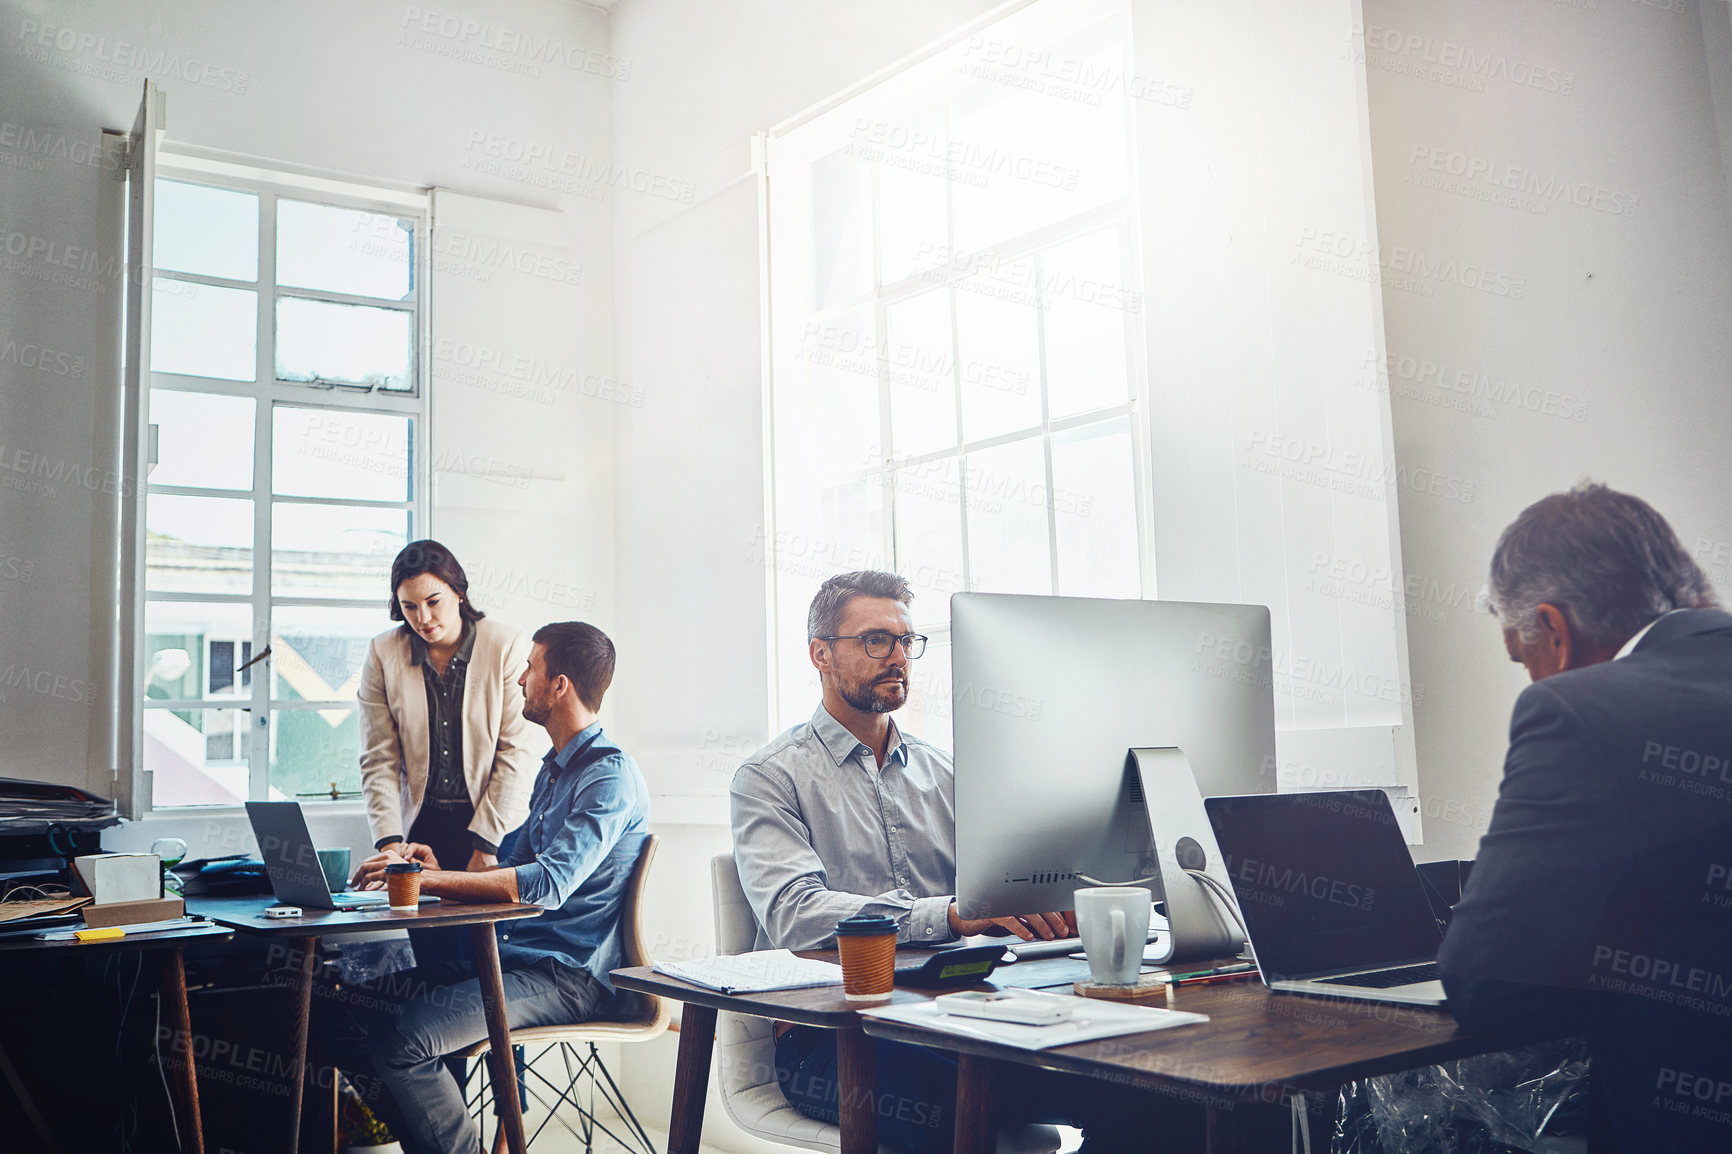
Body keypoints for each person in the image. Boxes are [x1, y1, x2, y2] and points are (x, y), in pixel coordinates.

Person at [731, 570, 1201, 1153]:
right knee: (954, 1107)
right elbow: (795, 914)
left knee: (1160, 1094)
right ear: (819, 653)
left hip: (957, 1011)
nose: (898, 656)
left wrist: (1049, 901)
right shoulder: (768, 776)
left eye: (906, 641)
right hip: (835, 1035)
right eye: (876, 640)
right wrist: (950, 916)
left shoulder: (947, 771)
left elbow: (997, 883)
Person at [1439, 483, 1732, 1153]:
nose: (1532, 681)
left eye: (1523, 658)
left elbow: (1491, 984)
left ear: (1555, 629)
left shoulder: (1581, 710)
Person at [334, 620, 650, 1154]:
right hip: (518, 963)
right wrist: (437, 865)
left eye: (531, 667)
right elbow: (505, 870)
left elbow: (546, 885)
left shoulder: (608, 777)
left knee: (404, 1038)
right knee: (350, 1011)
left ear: (560, 685)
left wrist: (427, 880)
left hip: (569, 976)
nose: (521, 678)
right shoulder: (556, 771)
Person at [359, 540, 537, 962]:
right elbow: (379, 759)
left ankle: (490, 1030)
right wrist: (390, 844)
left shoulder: (505, 645)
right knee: (434, 957)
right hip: (423, 831)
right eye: (408, 607)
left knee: (487, 956)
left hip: (497, 828)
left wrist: (484, 846)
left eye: (433, 601)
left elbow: (514, 754)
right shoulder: (384, 652)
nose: (423, 618)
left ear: (458, 591)